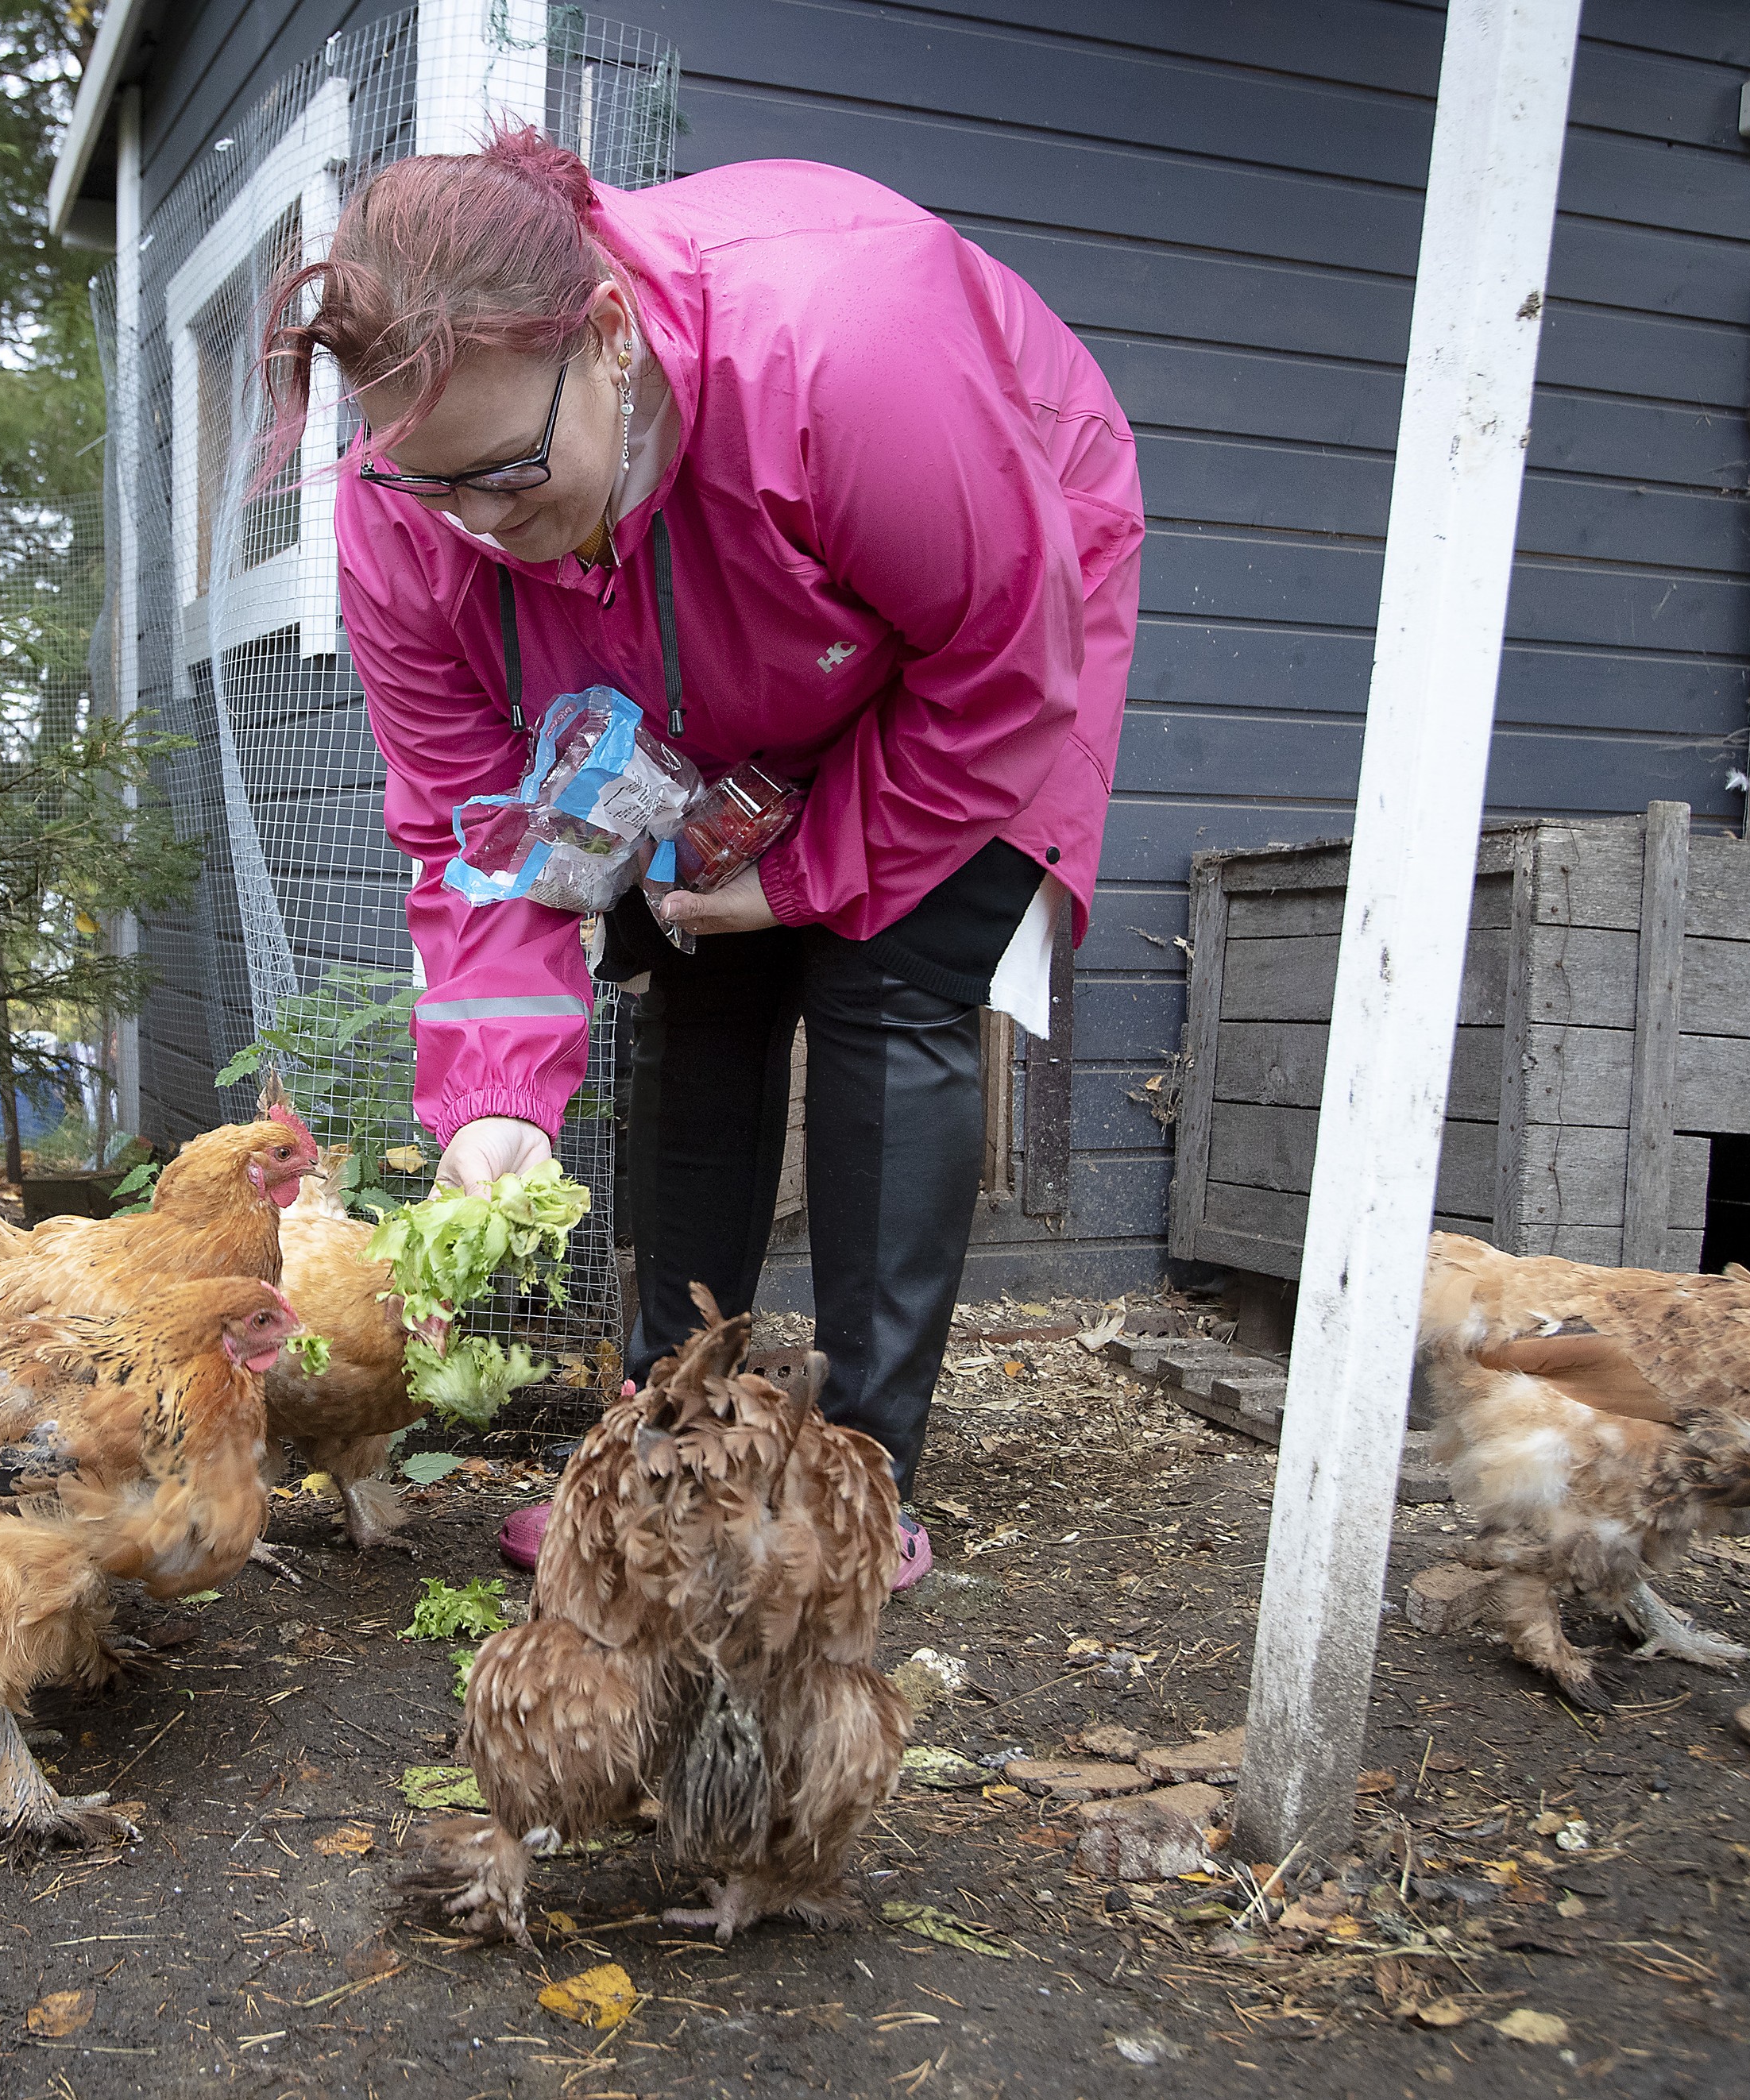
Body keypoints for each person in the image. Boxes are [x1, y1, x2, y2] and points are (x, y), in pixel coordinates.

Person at [261, 129, 1142, 1589]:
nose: (483, 532)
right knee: (691, 970)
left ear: (609, 335)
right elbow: (478, 827)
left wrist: (799, 877)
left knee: (888, 985)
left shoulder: (849, 353)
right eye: (435, 487)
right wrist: (498, 1097)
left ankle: (858, 1482)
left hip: (975, 622)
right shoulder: (409, 511)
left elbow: (999, 667)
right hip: (691, 650)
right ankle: (665, 1450)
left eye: (510, 472)